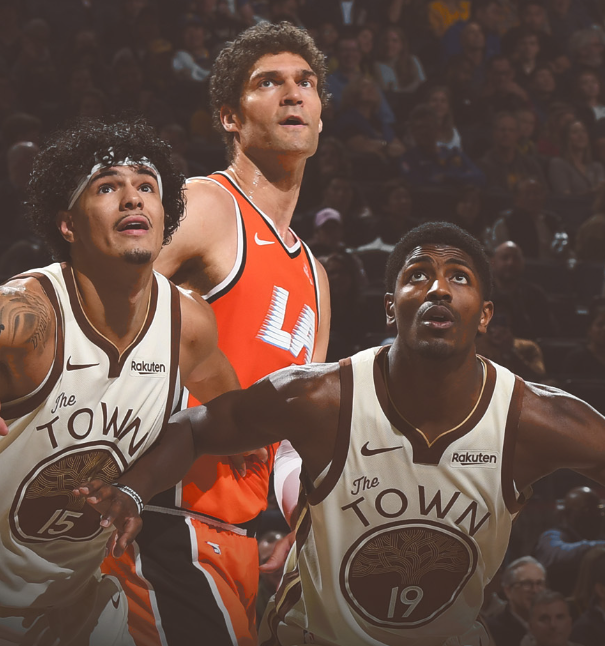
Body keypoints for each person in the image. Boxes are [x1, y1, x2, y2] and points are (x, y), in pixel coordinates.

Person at [79, 221, 605, 645]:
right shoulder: (320, 397)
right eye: (418, 274)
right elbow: (194, 429)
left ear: (485, 315)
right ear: (389, 306)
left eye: (459, 278)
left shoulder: (532, 419)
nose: (439, 289)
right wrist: (133, 489)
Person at [101, 22, 331, 646]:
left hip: (234, 542)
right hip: (155, 518)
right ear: (230, 116)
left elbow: (288, 444)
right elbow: (93, 295)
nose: (294, 94)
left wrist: (313, 515)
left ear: (320, 113)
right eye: (270, 82)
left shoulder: (315, 275)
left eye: (306, 82)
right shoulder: (205, 205)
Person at [0, 118, 240, 645]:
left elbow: (226, 418)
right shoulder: (20, 314)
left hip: (77, 604)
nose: (132, 198)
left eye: (146, 186)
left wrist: (138, 488)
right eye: (106, 187)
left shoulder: (187, 324)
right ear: (67, 225)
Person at [534, 487, 605, 596]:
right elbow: (556, 555)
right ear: (570, 513)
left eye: (599, 510)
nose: (599, 516)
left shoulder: (595, 537)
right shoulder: (552, 535)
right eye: (588, 511)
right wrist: (597, 547)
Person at [486, 556, 547, 646]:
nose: (535, 590)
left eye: (539, 583)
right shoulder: (492, 630)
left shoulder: (554, 624)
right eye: (527, 583)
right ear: (508, 590)